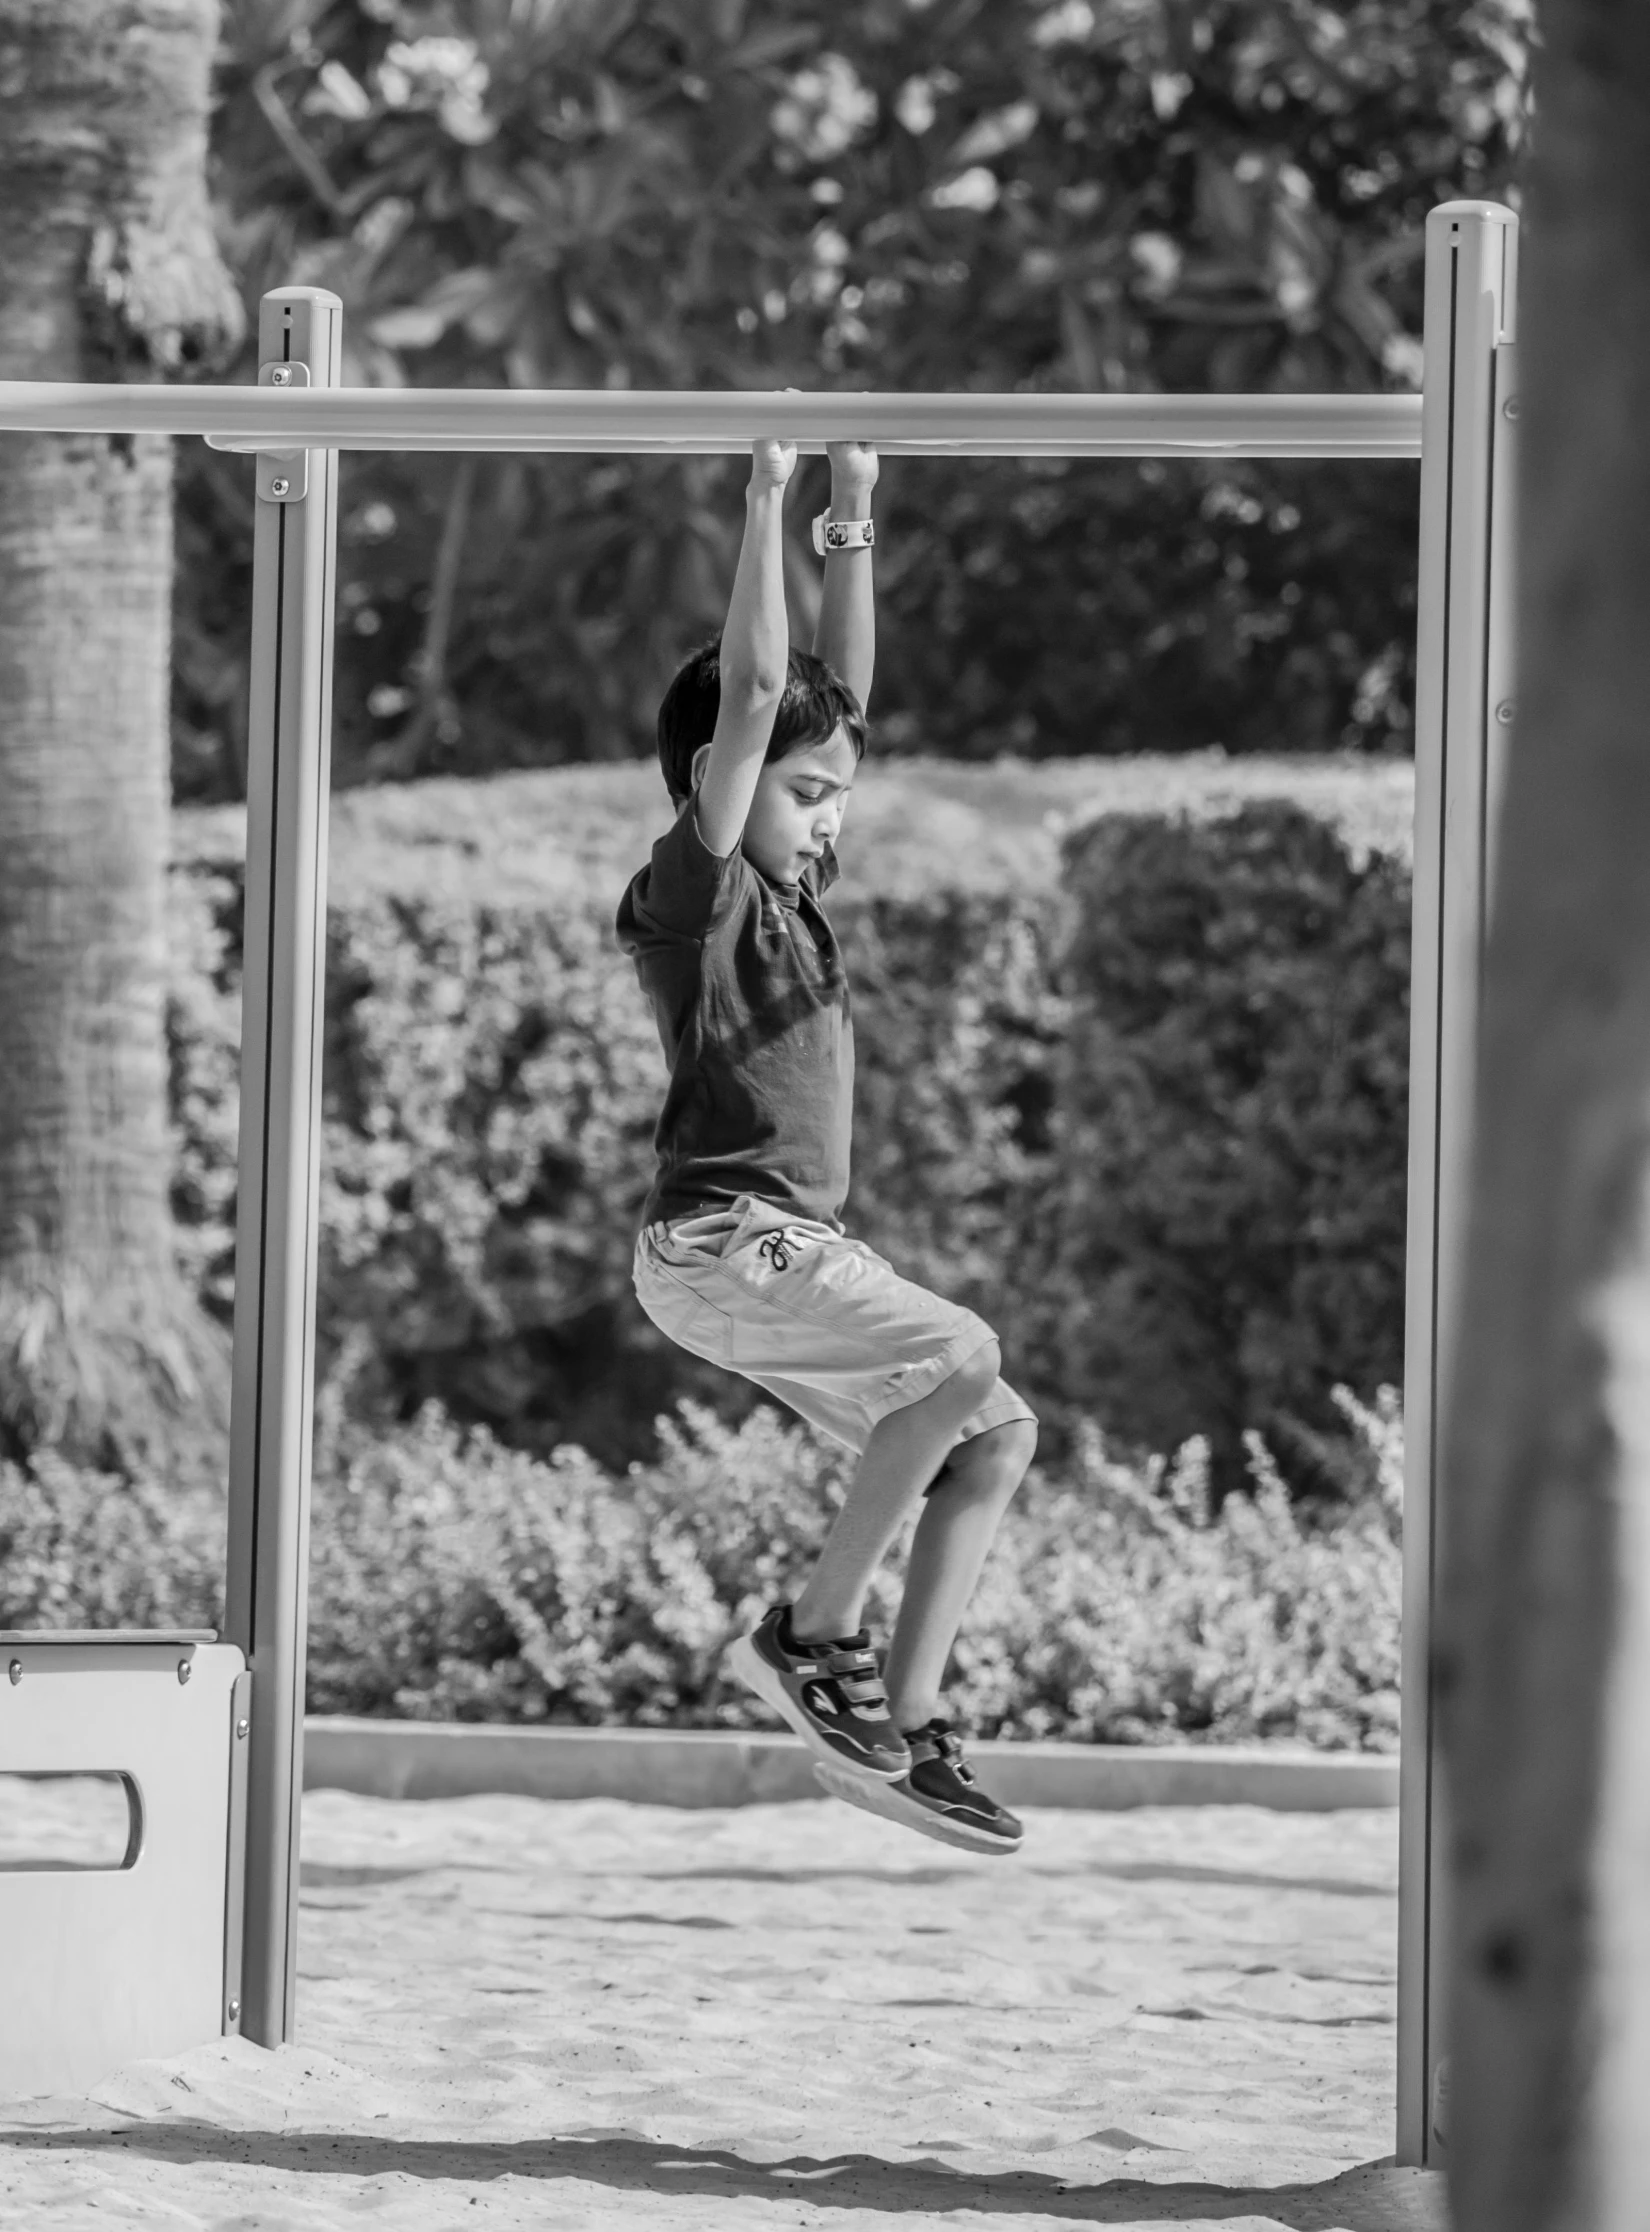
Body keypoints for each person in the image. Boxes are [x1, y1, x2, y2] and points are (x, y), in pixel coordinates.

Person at [615, 434, 1038, 1855]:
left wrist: (854, 519)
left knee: (990, 1435)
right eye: (807, 794)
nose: (831, 814)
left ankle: (901, 1728)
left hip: (786, 1251)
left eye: (837, 793)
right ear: (716, 788)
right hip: (720, 1243)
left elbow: (825, 709)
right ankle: (808, 1634)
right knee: (960, 1351)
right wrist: (764, 499)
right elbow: (754, 700)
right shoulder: (703, 889)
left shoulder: (796, 884)